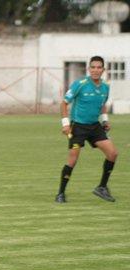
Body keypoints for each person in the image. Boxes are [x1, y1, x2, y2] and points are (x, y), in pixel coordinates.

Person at [56, 56, 118, 203]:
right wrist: (65, 124)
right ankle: (60, 193)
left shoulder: (105, 87)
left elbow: (102, 105)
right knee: (72, 160)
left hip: (95, 126)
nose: (96, 70)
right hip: (78, 126)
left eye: (99, 67)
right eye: (93, 67)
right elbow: (64, 104)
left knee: (113, 153)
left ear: (103, 70)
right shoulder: (80, 84)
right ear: (89, 69)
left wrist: (105, 121)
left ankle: (101, 187)